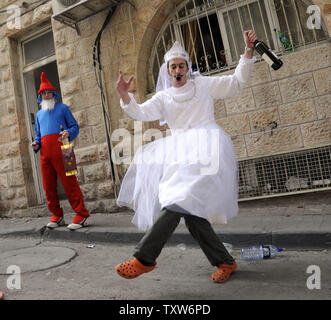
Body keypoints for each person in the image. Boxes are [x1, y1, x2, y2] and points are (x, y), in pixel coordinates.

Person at [115, 30, 258, 282]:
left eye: (181, 65)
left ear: (187, 67)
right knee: (191, 215)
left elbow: (235, 83)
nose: (178, 70)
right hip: (179, 155)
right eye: (173, 67)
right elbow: (139, 112)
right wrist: (125, 96)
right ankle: (225, 262)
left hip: (208, 148)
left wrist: (248, 52)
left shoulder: (202, 85)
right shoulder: (163, 97)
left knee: (178, 202)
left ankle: (143, 258)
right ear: (168, 71)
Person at [32, 72, 89, 230]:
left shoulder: (63, 108)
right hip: (45, 154)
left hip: (64, 150)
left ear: (53, 93)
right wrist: (36, 143)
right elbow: (38, 134)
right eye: (43, 93)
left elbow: (74, 126)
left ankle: (81, 214)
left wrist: (68, 133)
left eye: (48, 92)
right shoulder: (38, 115)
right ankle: (57, 215)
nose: (46, 95)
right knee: (48, 186)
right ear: (40, 96)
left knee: (69, 183)